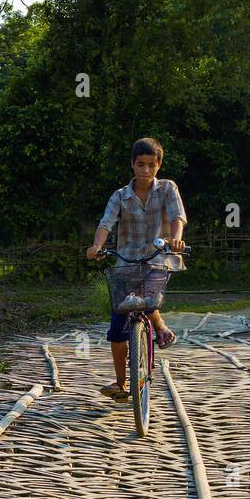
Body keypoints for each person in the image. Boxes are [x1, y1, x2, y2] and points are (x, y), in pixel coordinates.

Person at [86, 138, 187, 399]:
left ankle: (159, 326)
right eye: (140, 164)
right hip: (126, 262)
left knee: (145, 294)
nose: (145, 170)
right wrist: (97, 246)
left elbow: (178, 217)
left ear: (158, 165)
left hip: (158, 259)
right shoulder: (120, 196)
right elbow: (106, 223)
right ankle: (121, 384)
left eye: (151, 165)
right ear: (132, 164)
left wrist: (175, 240)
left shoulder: (167, 189)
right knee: (117, 326)